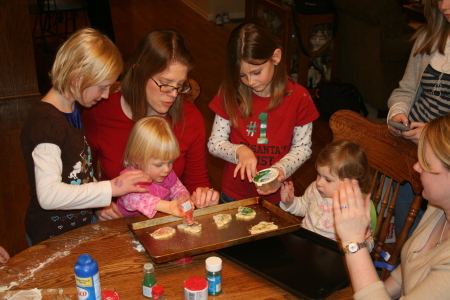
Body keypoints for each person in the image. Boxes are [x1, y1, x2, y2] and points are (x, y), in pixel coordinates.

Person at [20, 28, 152, 246]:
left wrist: (99, 204)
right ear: (77, 78)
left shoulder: (71, 110)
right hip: (50, 239)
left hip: (78, 228)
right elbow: (48, 195)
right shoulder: (47, 124)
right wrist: (112, 188)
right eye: (102, 87)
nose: (106, 95)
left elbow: (77, 173)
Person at [82, 29, 219, 221]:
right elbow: (82, 174)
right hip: (117, 221)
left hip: (169, 221)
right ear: (138, 71)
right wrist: (98, 204)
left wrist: (204, 196)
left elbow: (196, 183)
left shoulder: (190, 118)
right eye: (165, 83)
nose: (173, 94)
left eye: (180, 85)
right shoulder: (100, 112)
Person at [333, 113, 450, 299]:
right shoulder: (439, 208)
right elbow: (409, 273)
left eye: (426, 163)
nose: (416, 167)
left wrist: (353, 242)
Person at [208, 22, 319, 204]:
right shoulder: (228, 92)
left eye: (256, 72)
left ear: (276, 57)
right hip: (234, 194)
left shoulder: (299, 97)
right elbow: (215, 143)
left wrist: (278, 172)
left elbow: (302, 149)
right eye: (242, 75)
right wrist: (239, 151)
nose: (250, 81)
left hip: (278, 196)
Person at [386, 0, 450, 236]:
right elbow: (405, 90)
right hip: (412, 148)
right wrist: (398, 113)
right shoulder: (428, 38)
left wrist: (433, 135)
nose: (444, 6)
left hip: (444, 158)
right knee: (407, 226)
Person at [280, 140, 374, 248]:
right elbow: (304, 207)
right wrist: (290, 202)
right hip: (306, 241)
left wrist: (362, 243)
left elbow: (368, 243)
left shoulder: (356, 208)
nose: (319, 183)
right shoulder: (315, 189)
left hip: (334, 251)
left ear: (351, 183)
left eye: (328, 180)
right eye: (319, 175)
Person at [117, 116, 192, 219]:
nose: (166, 169)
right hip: (128, 224)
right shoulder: (130, 179)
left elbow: (178, 189)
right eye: (158, 165)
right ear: (137, 159)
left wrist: (183, 198)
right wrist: (168, 206)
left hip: (157, 222)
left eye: (170, 162)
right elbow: (134, 199)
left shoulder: (168, 174)